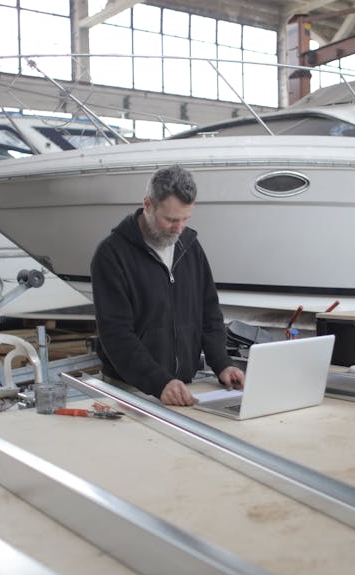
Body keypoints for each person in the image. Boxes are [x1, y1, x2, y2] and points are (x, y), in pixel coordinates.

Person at [90, 165, 245, 405]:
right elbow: (116, 335)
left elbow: (210, 314)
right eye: (171, 219)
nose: (179, 228)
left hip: (182, 387)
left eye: (185, 219)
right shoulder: (111, 254)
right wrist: (158, 381)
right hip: (130, 390)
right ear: (148, 205)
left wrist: (223, 363)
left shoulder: (190, 247)